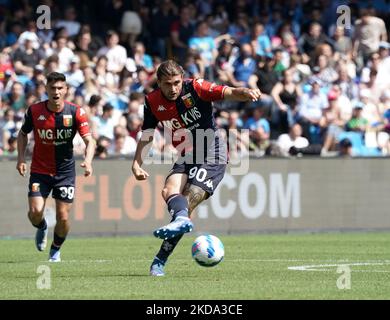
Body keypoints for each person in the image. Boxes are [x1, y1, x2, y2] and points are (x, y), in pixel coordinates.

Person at [131, 60, 261, 276]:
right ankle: (180, 221)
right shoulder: (152, 101)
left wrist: (245, 92)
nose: (173, 89)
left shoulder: (196, 88)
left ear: (182, 78)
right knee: (168, 191)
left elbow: (227, 91)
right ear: (159, 83)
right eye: (167, 84)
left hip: (212, 150)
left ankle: (159, 260)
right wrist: (136, 163)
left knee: (190, 197)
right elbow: (147, 133)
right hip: (187, 152)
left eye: (176, 83)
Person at [16, 72, 96, 262]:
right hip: (40, 171)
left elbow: (89, 140)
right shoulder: (35, 111)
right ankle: (42, 227)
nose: (56, 92)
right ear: (46, 89)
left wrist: (88, 161)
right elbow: (22, 134)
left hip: (65, 172)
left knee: (63, 217)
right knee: (35, 213)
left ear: (66, 90)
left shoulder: (76, 112)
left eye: (60, 88)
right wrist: (21, 159)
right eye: (52, 88)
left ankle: (55, 250)